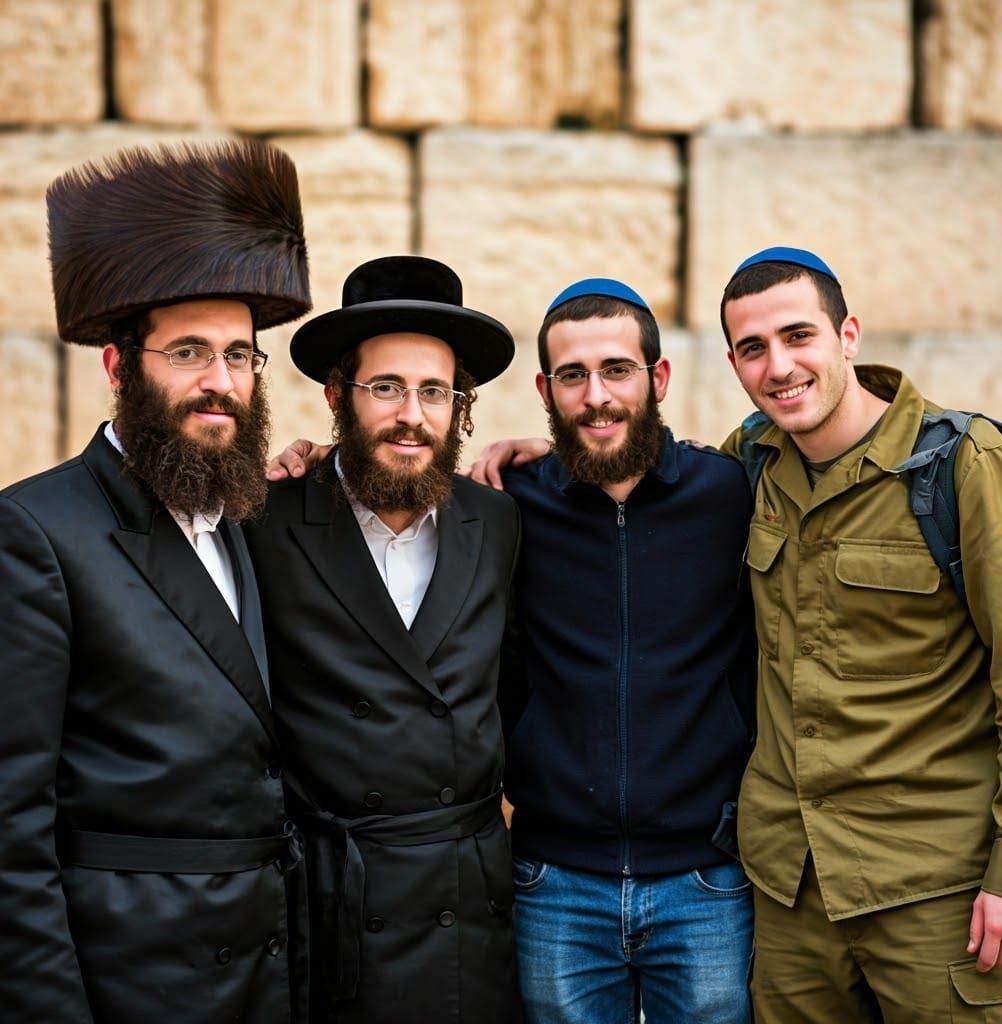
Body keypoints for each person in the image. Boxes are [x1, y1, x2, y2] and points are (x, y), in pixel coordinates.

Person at [277, 277, 759, 1021]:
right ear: (546, 390)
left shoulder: (729, 492)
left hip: (700, 879)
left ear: (658, 378)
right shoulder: (509, 504)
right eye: (573, 376)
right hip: (547, 880)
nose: (595, 395)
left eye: (616, 371)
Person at [0, 140, 311, 1023]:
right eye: (188, 353)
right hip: (135, 985)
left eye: (240, 356)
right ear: (117, 365)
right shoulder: (33, 533)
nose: (221, 384)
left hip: (264, 974)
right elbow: (9, 836)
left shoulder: (246, 513)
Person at [718, 246, 1002, 1021]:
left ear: (848, 335)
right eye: (753, 349)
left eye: (799, 336)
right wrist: (541, 457)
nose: (779, 366)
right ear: (733, 362)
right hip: (791, 893)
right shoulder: (750, 463)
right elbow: (641, 481)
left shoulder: (963, 465)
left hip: (940, 890)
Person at [244, 255, 522, 1023]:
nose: (413, 414)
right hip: (336, 897)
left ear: (460, 408)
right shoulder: (267, 521)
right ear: (338, 397)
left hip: (468, 902)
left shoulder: (497, 520)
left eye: (435, 391)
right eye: (388, 388)